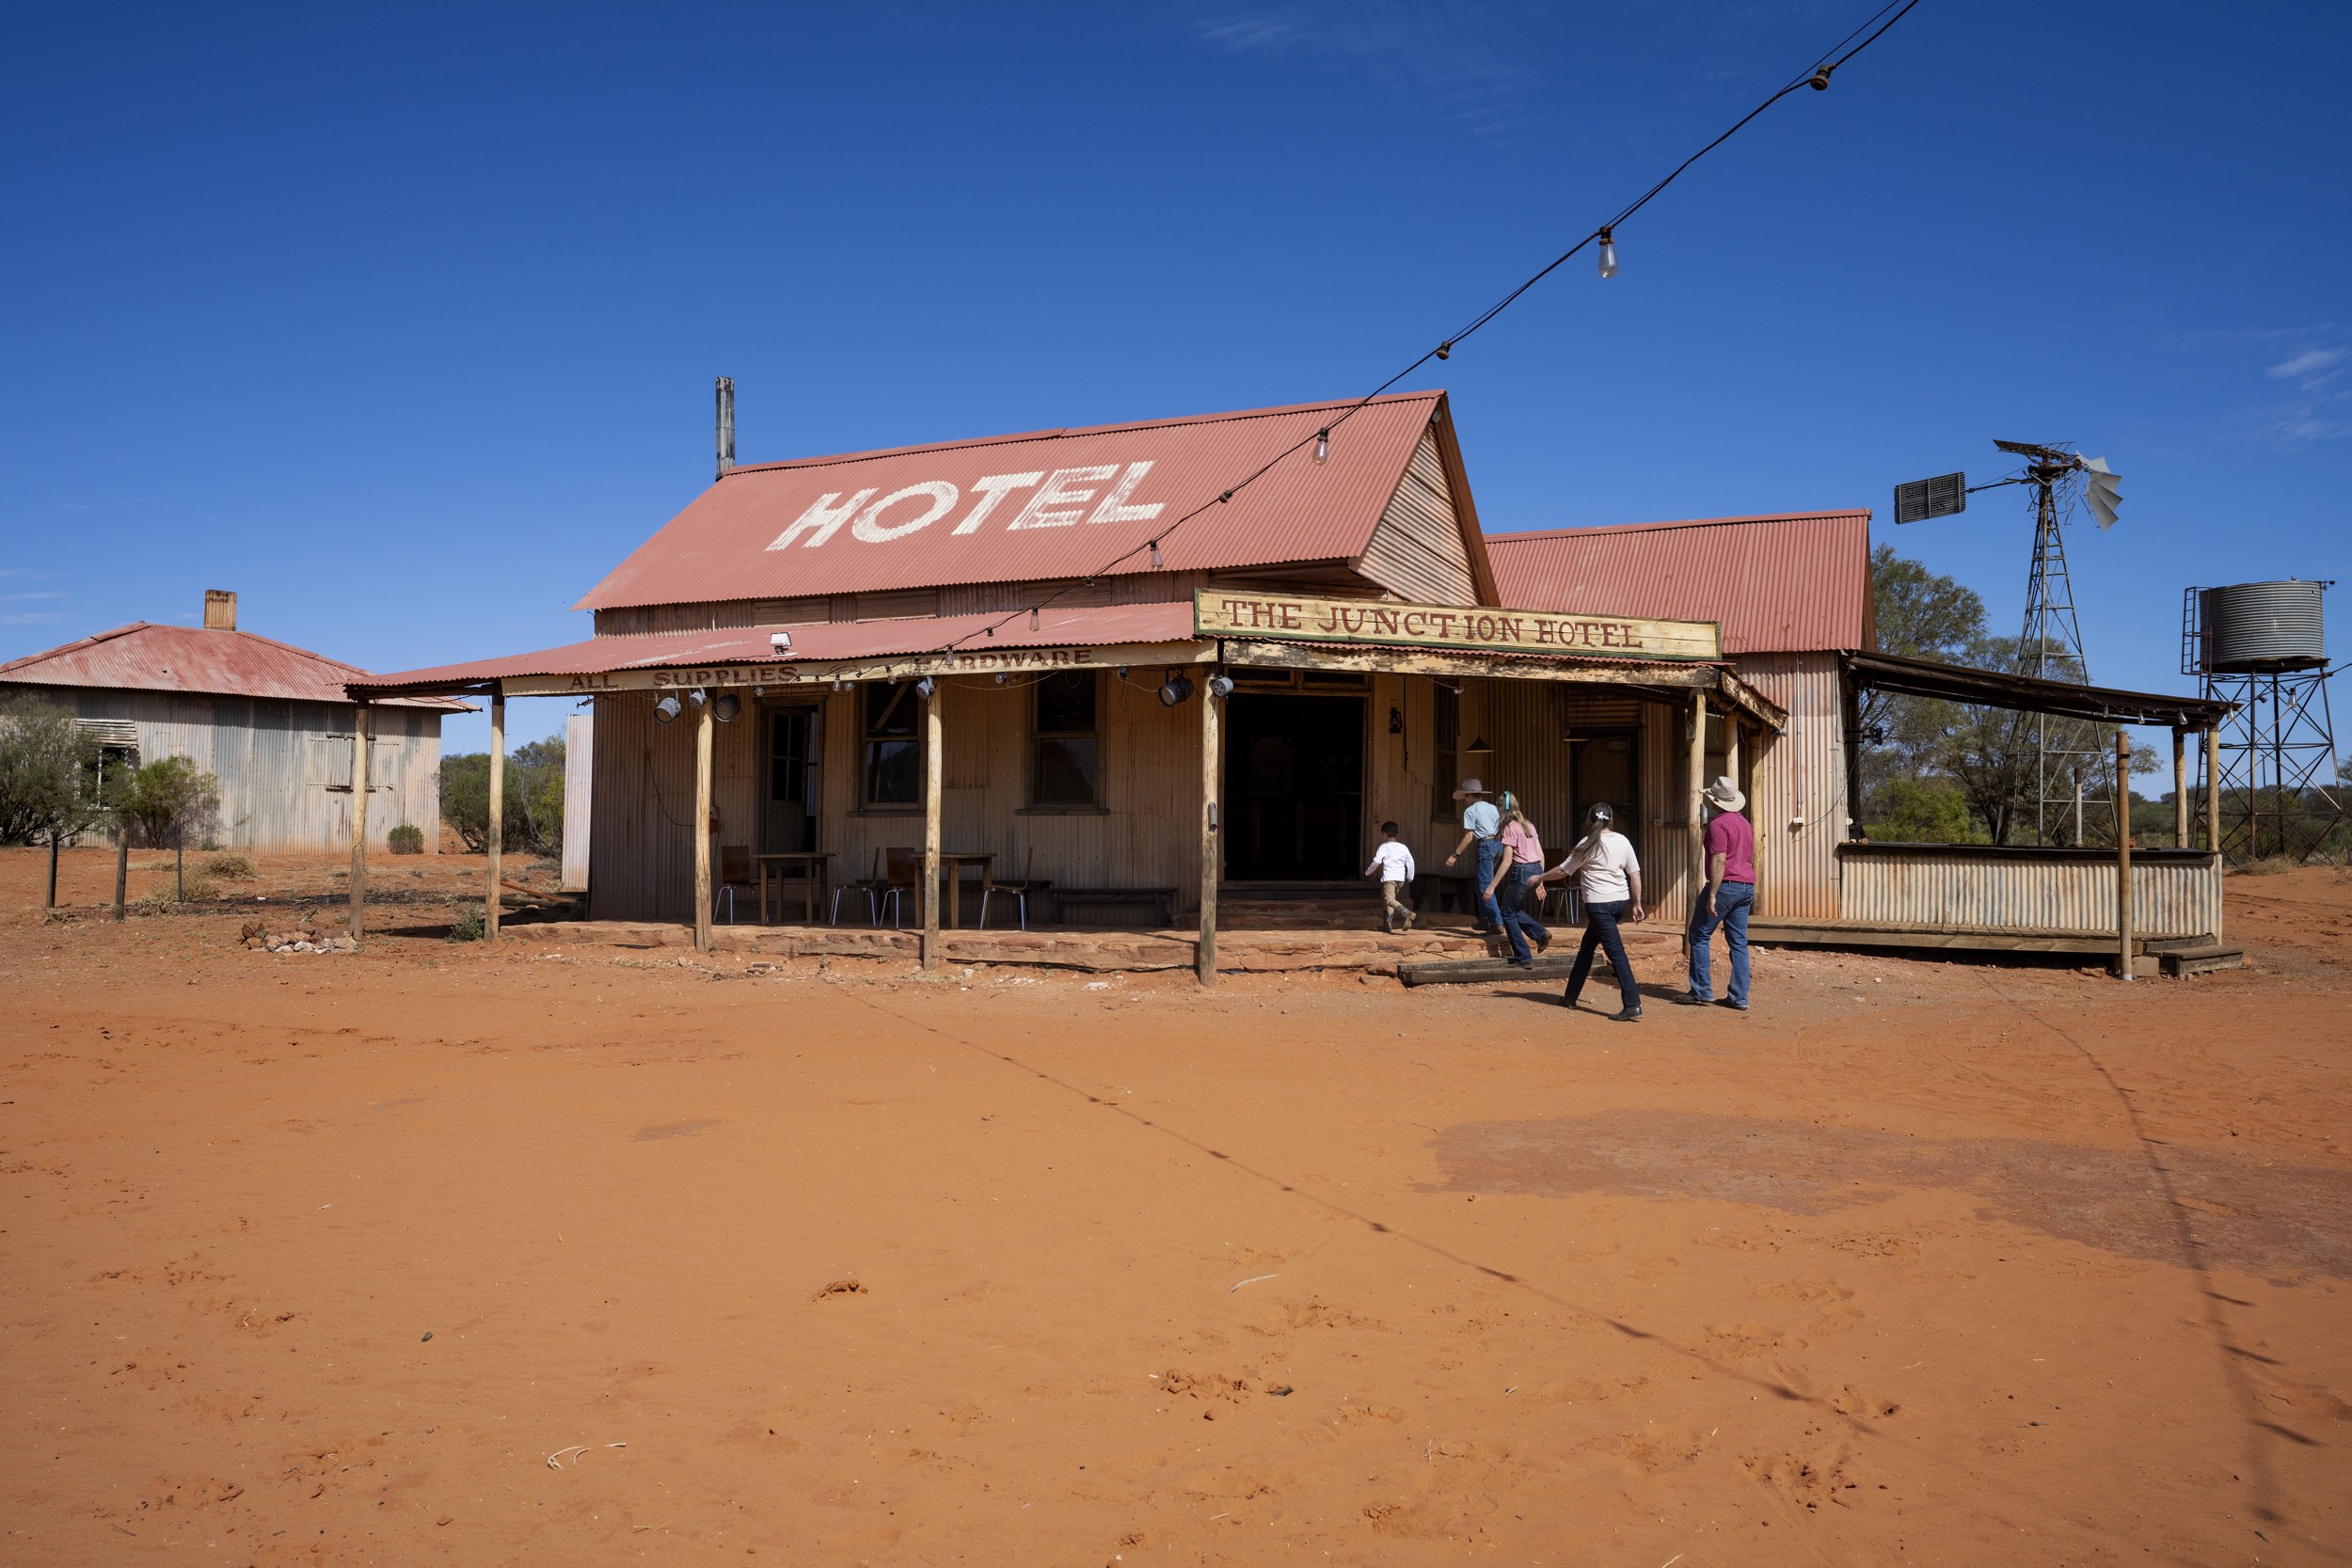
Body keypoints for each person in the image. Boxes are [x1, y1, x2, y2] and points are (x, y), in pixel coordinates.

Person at [1539, 802, 1645, 1020]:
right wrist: (1637, 904)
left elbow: (1562, 870)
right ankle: (1570, 997)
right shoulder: (1622, 841)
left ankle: (1633, 1003)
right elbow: (1634, 874)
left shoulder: (1587, 844)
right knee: (1586, 949)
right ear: (1611, 820)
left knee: (1616, 954)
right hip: (1619, 903)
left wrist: (1539, 877)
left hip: (1600, 905)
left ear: (1589, 820)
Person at [1680, 775, 1756, 1010]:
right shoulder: (1745, 824)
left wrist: (1712, 893)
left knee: (1699, 934)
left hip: (1726, 886)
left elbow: (1719, 860)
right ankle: (1739, 997)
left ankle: (1702, 991)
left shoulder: (1718, 825)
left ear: (1716, 802)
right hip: (1746, 886)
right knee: (1739, 943)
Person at [1483, 791, 1551, 966]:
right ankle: (1541, 934)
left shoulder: (1509, 827)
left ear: (1501, 809)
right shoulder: (1528, 825)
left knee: (1506, 912)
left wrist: (1491, 886)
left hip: (1522, 871)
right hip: (1535, 869)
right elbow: (1541, 854)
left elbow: (1506, 861)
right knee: (1513, 909)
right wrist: (1540, 879)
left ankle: (1523, 956)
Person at [1441, 778, 1504, 942]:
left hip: (1485, 845)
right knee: (1480, 883)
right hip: (1499, 845)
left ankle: (1496, 923)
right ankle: (1485, 919)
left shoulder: (1470, 810)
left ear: (1469, 795)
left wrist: (1455, 855)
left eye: (1465, 797)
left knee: (1484, 885)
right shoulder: (1492, 808)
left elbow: (1469, 836)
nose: (1464, 801)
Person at [1364, 821, 1417, 933]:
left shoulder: (1384, 847)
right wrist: (1410, 877)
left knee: (1389, 899)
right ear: (1397, 834)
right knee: (1389, 901)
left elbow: (1377, 861)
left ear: (1384, 833)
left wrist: (1368, 872)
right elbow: (1410, 862)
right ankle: (1387, 925)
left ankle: (1407, 913)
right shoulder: (1403, 847)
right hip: (1400, 879)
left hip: (1390, 878)